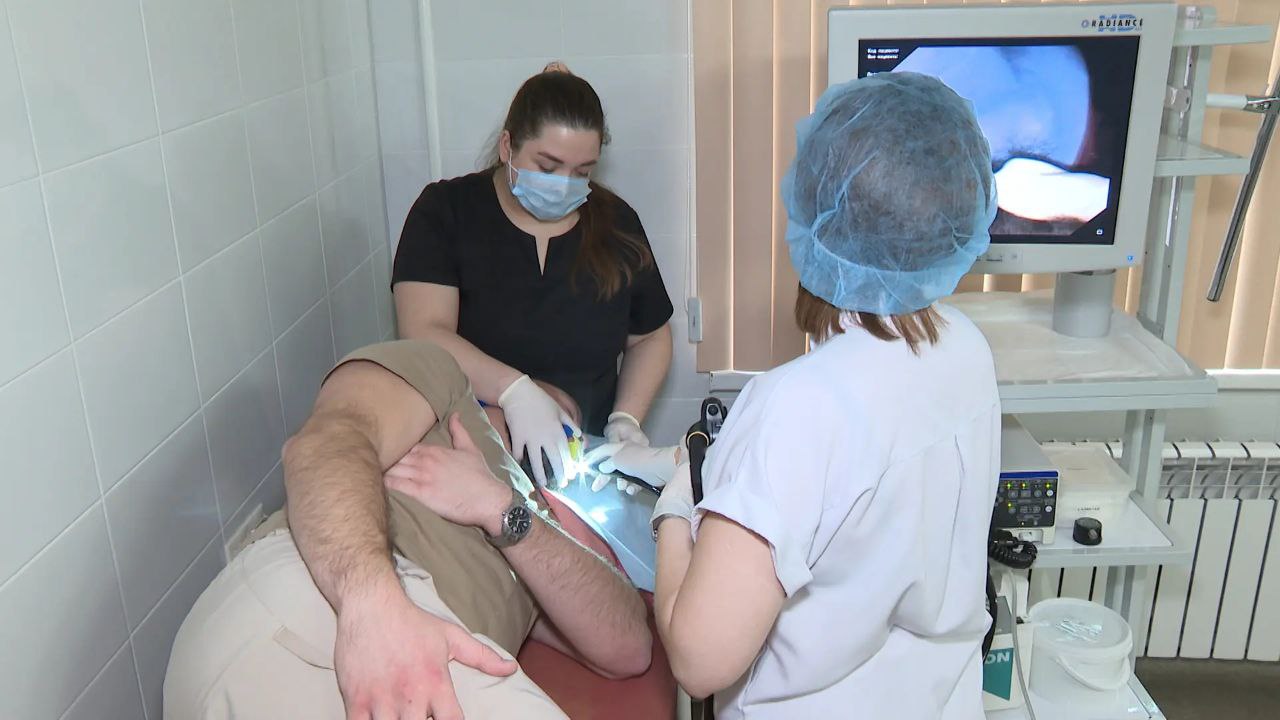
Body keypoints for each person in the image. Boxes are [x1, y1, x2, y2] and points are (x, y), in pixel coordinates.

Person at [604, 73, 1002, 718]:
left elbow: (700, 663)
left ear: (821, 209)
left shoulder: (798, 405)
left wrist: (677, 511)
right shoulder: (966, 347)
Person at [164, 339, 653, 719]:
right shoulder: (438, 388)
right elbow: (323, 446)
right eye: (553, 409)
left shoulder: (528, 529)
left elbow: (629, 648)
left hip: (425, 657)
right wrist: (372, 606)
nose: (557, 432)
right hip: (331, 594)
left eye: (571, 429)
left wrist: (501, 506)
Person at [392, 63, 674, 487]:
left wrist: (625, 420)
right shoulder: (447, 212)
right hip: (472, 456)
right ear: (508, 146)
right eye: (547, 166)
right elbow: (423, 333)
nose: (565, 184)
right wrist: (514, 392)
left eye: (582, 172)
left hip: (583, 465)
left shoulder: (617, 224)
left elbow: (650, 337)